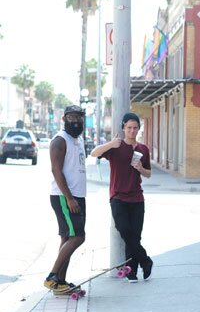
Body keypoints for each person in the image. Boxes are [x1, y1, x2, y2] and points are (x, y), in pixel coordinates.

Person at [90, 112, 153, 283]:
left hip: (137, 199)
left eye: (135, 128)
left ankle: (131, 272)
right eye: (129, 128)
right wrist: (111, 143)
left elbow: (149, 174)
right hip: (118, 197)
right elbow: (94, 153)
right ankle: (146, 261)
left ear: (138, 129)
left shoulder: (143, 149)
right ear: (124, 128)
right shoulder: (115, 147)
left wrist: (140, 168)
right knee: (124, 230)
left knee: (135, 236)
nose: (132, 131)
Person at [44, 105, 88, 292]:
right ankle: (52, 276)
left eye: (79, 117)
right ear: (64, 119)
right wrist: (69, 198)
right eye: (71, 117)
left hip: (77, 195)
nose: (76, 121)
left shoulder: (77, 140)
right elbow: (56, 170)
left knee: (67, 237)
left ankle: (60, 282)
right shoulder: (60, 141)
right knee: (78, 237)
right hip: (65, 197)